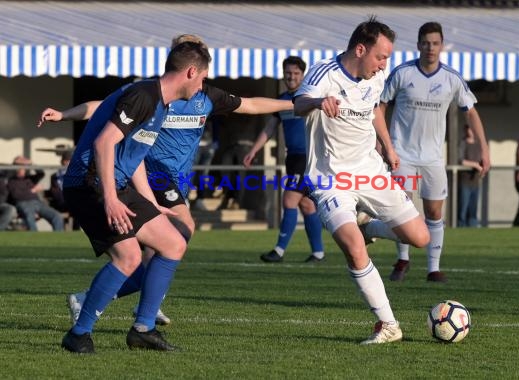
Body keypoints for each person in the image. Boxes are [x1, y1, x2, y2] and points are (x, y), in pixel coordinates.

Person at [38, 35, 294, 328]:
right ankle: (136, 311)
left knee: (161, 248)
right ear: (186, 68)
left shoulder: (204, 96)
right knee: (176, 233)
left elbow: (249, 104)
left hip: (171, 177)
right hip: (150, 173)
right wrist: (65, 115)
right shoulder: (151, 93)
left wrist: (293, 104)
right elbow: (104, 109)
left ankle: (117, 305)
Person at [58, 40, 210, 353]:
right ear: (192, 72)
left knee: (173, 242)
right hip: (89, 184)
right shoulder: (143, 95)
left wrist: (149, 202)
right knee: (129, 258)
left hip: (116, 182)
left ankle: (143, 329)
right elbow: (104, 143)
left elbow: (134, 154)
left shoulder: (160, 102)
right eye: (203, 78)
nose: (203, 85)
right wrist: (112, 199)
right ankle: (79, 334)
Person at [294, 16, 430, 344]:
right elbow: (298, 104)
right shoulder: (322, 72)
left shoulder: (377, 77)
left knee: (420, 237)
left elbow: (374, 111)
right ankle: (388, 324)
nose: (385, 65)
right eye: (381, 56)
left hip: (371, 171)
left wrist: (388, 145)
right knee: (353, 248)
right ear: (360, 49)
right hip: (330, 180)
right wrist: (317, 102)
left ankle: (367, 227)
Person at [370, 21, 490, 282]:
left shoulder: (451, 79)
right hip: (402, 153)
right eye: (426, 43)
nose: (430, 48)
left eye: (435, 43)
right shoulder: (402, 73)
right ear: (418, 45)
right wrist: (381, 142)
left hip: (433, 158)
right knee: (402, 208)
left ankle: (433, 268)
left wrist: (484, 148)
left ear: (442, 46)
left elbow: (471, 112)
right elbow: (380, 106)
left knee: (434, 212)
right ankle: (402, 260)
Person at [243, 56, 325, 263]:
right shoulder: (282, 100)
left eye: (296, 73)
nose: (292, 77)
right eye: (288, 73)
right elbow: (270, 127)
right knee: (306, 205)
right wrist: (253, 150)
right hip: (293, 158)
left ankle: (279, 250)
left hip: (306, 158)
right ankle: (318, 253)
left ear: (303, 75)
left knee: (289, 200)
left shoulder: (309, 98)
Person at [7, 156, 64, 231]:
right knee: (29, 217)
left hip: (37, 203)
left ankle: (58, 237)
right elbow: (16, 196)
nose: (23, 169)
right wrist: (32, 190)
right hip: (23, 203)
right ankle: (34, 237)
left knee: (56, 216)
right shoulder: (12, 181)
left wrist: (31, 163)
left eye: (24, 167)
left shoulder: (29, 178)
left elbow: (41, 173)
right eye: (21, 167)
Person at [457, 124, 483, 227]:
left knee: (473, 210)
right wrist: (475, 165)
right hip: (465, 182)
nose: (469, 131)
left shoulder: (478, 144)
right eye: (467, 128)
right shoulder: (463, 143)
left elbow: (483, 160)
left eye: (471, 129)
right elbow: (461, 161)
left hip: (476, 182)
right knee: (462, 210)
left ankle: (473, 229)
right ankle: (460, 228)